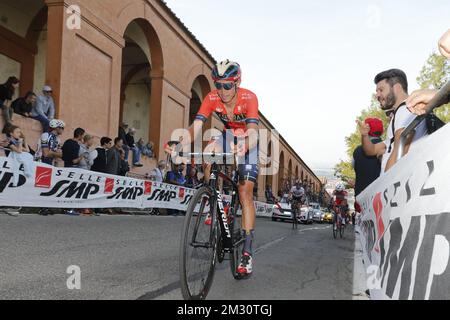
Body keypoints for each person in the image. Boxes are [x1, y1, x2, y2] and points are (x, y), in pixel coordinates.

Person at [165, 60, 259, 277]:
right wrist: (179, 145)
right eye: (218, 85)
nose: (223, 90)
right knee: (208, 154)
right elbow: (195, 127)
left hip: (248, 138)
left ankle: (246, 253)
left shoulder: (248, 97)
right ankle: (214, 201)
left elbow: (253, 129)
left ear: (237, 83)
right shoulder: (212, 98)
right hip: (227, 136)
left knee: (245, 190)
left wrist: (246, 145)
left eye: (227, 85)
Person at [358, 69, 427, 174]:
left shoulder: (406, 110)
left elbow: (399, 152)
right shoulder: (400, 113)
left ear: (397, 88)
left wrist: (383, 187)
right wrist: (364, 135)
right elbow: (371, 150)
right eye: (377, 91)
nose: (377, 95)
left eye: (381, 90)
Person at [1, 125, 32, 217]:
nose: (20, 134)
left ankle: (9, 205)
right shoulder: (9, 142)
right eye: (18, 132)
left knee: (11, 184)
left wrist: (24, 141)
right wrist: (20, 142)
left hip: (14, 165)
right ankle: (5, 205)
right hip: (10, 165)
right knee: (6, 184)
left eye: (20, 132)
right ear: (11, 133)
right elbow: (18, 151)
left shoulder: (16, 141)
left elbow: (27, 150)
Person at [353, 118, 384, 197]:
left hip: (361, 194)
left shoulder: (357, 150)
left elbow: (354, 166)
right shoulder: (387, 147)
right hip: (379, 195)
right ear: (382, 131)